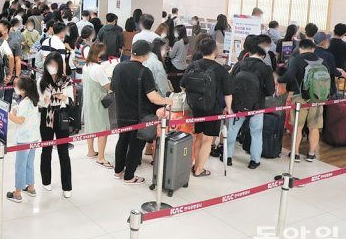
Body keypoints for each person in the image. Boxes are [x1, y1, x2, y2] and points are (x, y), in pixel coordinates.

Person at [111, 40, 173, 184]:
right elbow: (152, 97)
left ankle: (118, 171)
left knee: (122, 141)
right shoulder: (144, 71)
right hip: (138, 116)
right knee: (136, 146)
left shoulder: (118, 67)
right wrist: (167, 101)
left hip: (121, 114)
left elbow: (114, 88)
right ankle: (129, 177)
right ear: (146, 55)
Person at [181, 38, 233, 177]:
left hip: (196, 107)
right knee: (208, 140)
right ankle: (199, 169)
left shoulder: (193, 65)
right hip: (213, 108)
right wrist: (229, 108)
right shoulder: (220, 70)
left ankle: (195, 165)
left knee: (198, 137)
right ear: (215, 51)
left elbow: (182, 84)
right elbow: (228, 93)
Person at [225, 41, 275, 169]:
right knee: (256, 133)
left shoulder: (239, 65)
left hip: (237, 105)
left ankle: (227, 157)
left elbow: (229, 84)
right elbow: (270, 91)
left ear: (250, 53)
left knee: (232, 131)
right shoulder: (266, 69)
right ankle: (254, 161)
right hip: (257, 106)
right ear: (263, 55)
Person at [278, 39, 327, 162]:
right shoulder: (321, 61)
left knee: (298, 126)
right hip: (317, 98)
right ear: (313, 48)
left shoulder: (297, 60)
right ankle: (311, 154)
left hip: (300, 97)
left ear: (300, 48)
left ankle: (296, 154)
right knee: (314, 127)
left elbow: (288, 76)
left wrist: (278, 79)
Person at [38, 52, 74, 197]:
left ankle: (67, 186)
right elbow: (38, 102)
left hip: (62, 116)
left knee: (63, 152)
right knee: (46, 150)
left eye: (54, 64)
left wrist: (63, 97)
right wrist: (44, 101)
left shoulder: (66, 81)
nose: (51, 67)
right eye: (49, 64)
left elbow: (71, 101)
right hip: (46, 116)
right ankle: (46, 180)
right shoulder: (41, 80)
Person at [6, 76, 41, 203]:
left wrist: (8, 114)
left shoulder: (25, 103)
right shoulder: (33, 100)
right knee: (29, 163)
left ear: (23, 90)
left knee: (20, 165)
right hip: (34, 137)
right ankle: (31, 188)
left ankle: (17, 193)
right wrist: (17, 109)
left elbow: (20, 120)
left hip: (24, 139)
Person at [81, 42, 113, 168]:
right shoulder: (98, 68)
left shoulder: (86, 66)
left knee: (90, 126)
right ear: (97, 53)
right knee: (102, 130)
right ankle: (101, 158)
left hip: (88, 101)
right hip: (98, 102)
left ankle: (91, 151)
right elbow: (107, 86)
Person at [168, 24, 189, 92]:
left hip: (175, 67)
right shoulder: (187, 42)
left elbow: (171, 56)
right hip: (183, 66)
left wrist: (170, 50)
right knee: (180, 87)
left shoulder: (177, 43)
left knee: (174, 86)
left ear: (179, 32)